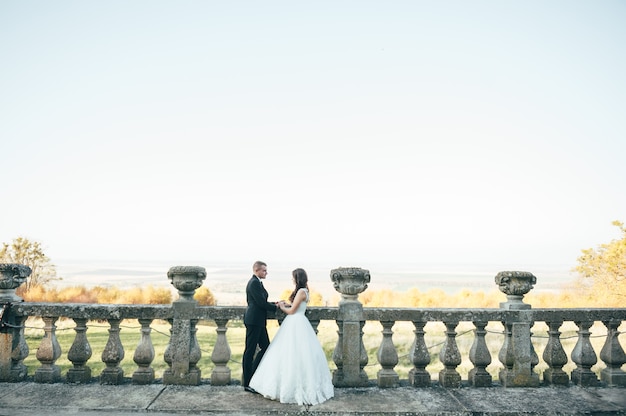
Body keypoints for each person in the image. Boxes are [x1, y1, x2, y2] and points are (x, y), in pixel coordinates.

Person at [249, 268, 334, 405]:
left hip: (296, 322)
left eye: (293, 277)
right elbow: (295, 306)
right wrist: (285, 304)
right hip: (297, 323)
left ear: (298, 278)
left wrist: (282, 307)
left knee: (293, 354)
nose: (292, 279)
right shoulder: (304, 291)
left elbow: (292, 310)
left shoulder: (301, 292)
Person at [242, 260, 279, 392]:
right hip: (254, 320)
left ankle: (254, 375)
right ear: (256, 270)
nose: (266, 272)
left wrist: (275, 303)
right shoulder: (254, 283)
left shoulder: (257, 282)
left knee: (266, 347)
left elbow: (262, 301)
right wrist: (276, 307)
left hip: (258, 320)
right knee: (250, 351)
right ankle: (247, 382)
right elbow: (260, 304)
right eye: (264, 270)